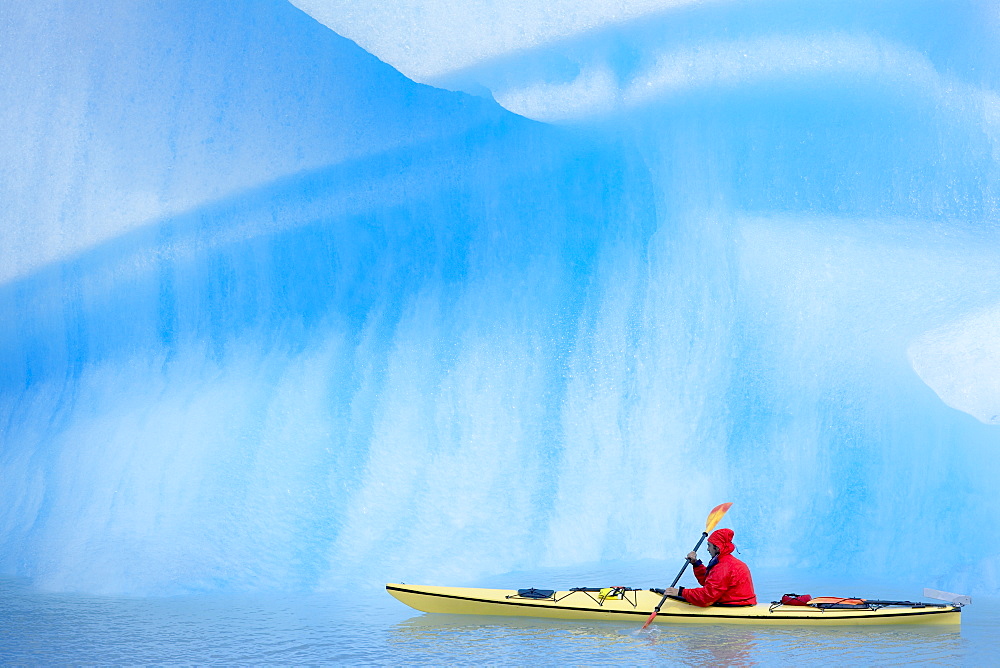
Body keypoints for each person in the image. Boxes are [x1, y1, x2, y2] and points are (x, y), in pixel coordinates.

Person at [663, 527, 756, 606]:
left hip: (736, 605)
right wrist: (696, 564)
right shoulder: (725, 561)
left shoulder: (723, 567)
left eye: (709, 546)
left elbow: (707, 596)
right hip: (741, 602)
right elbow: (708, 581)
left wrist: (680, 592)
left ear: (717, 547)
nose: (708, 549)